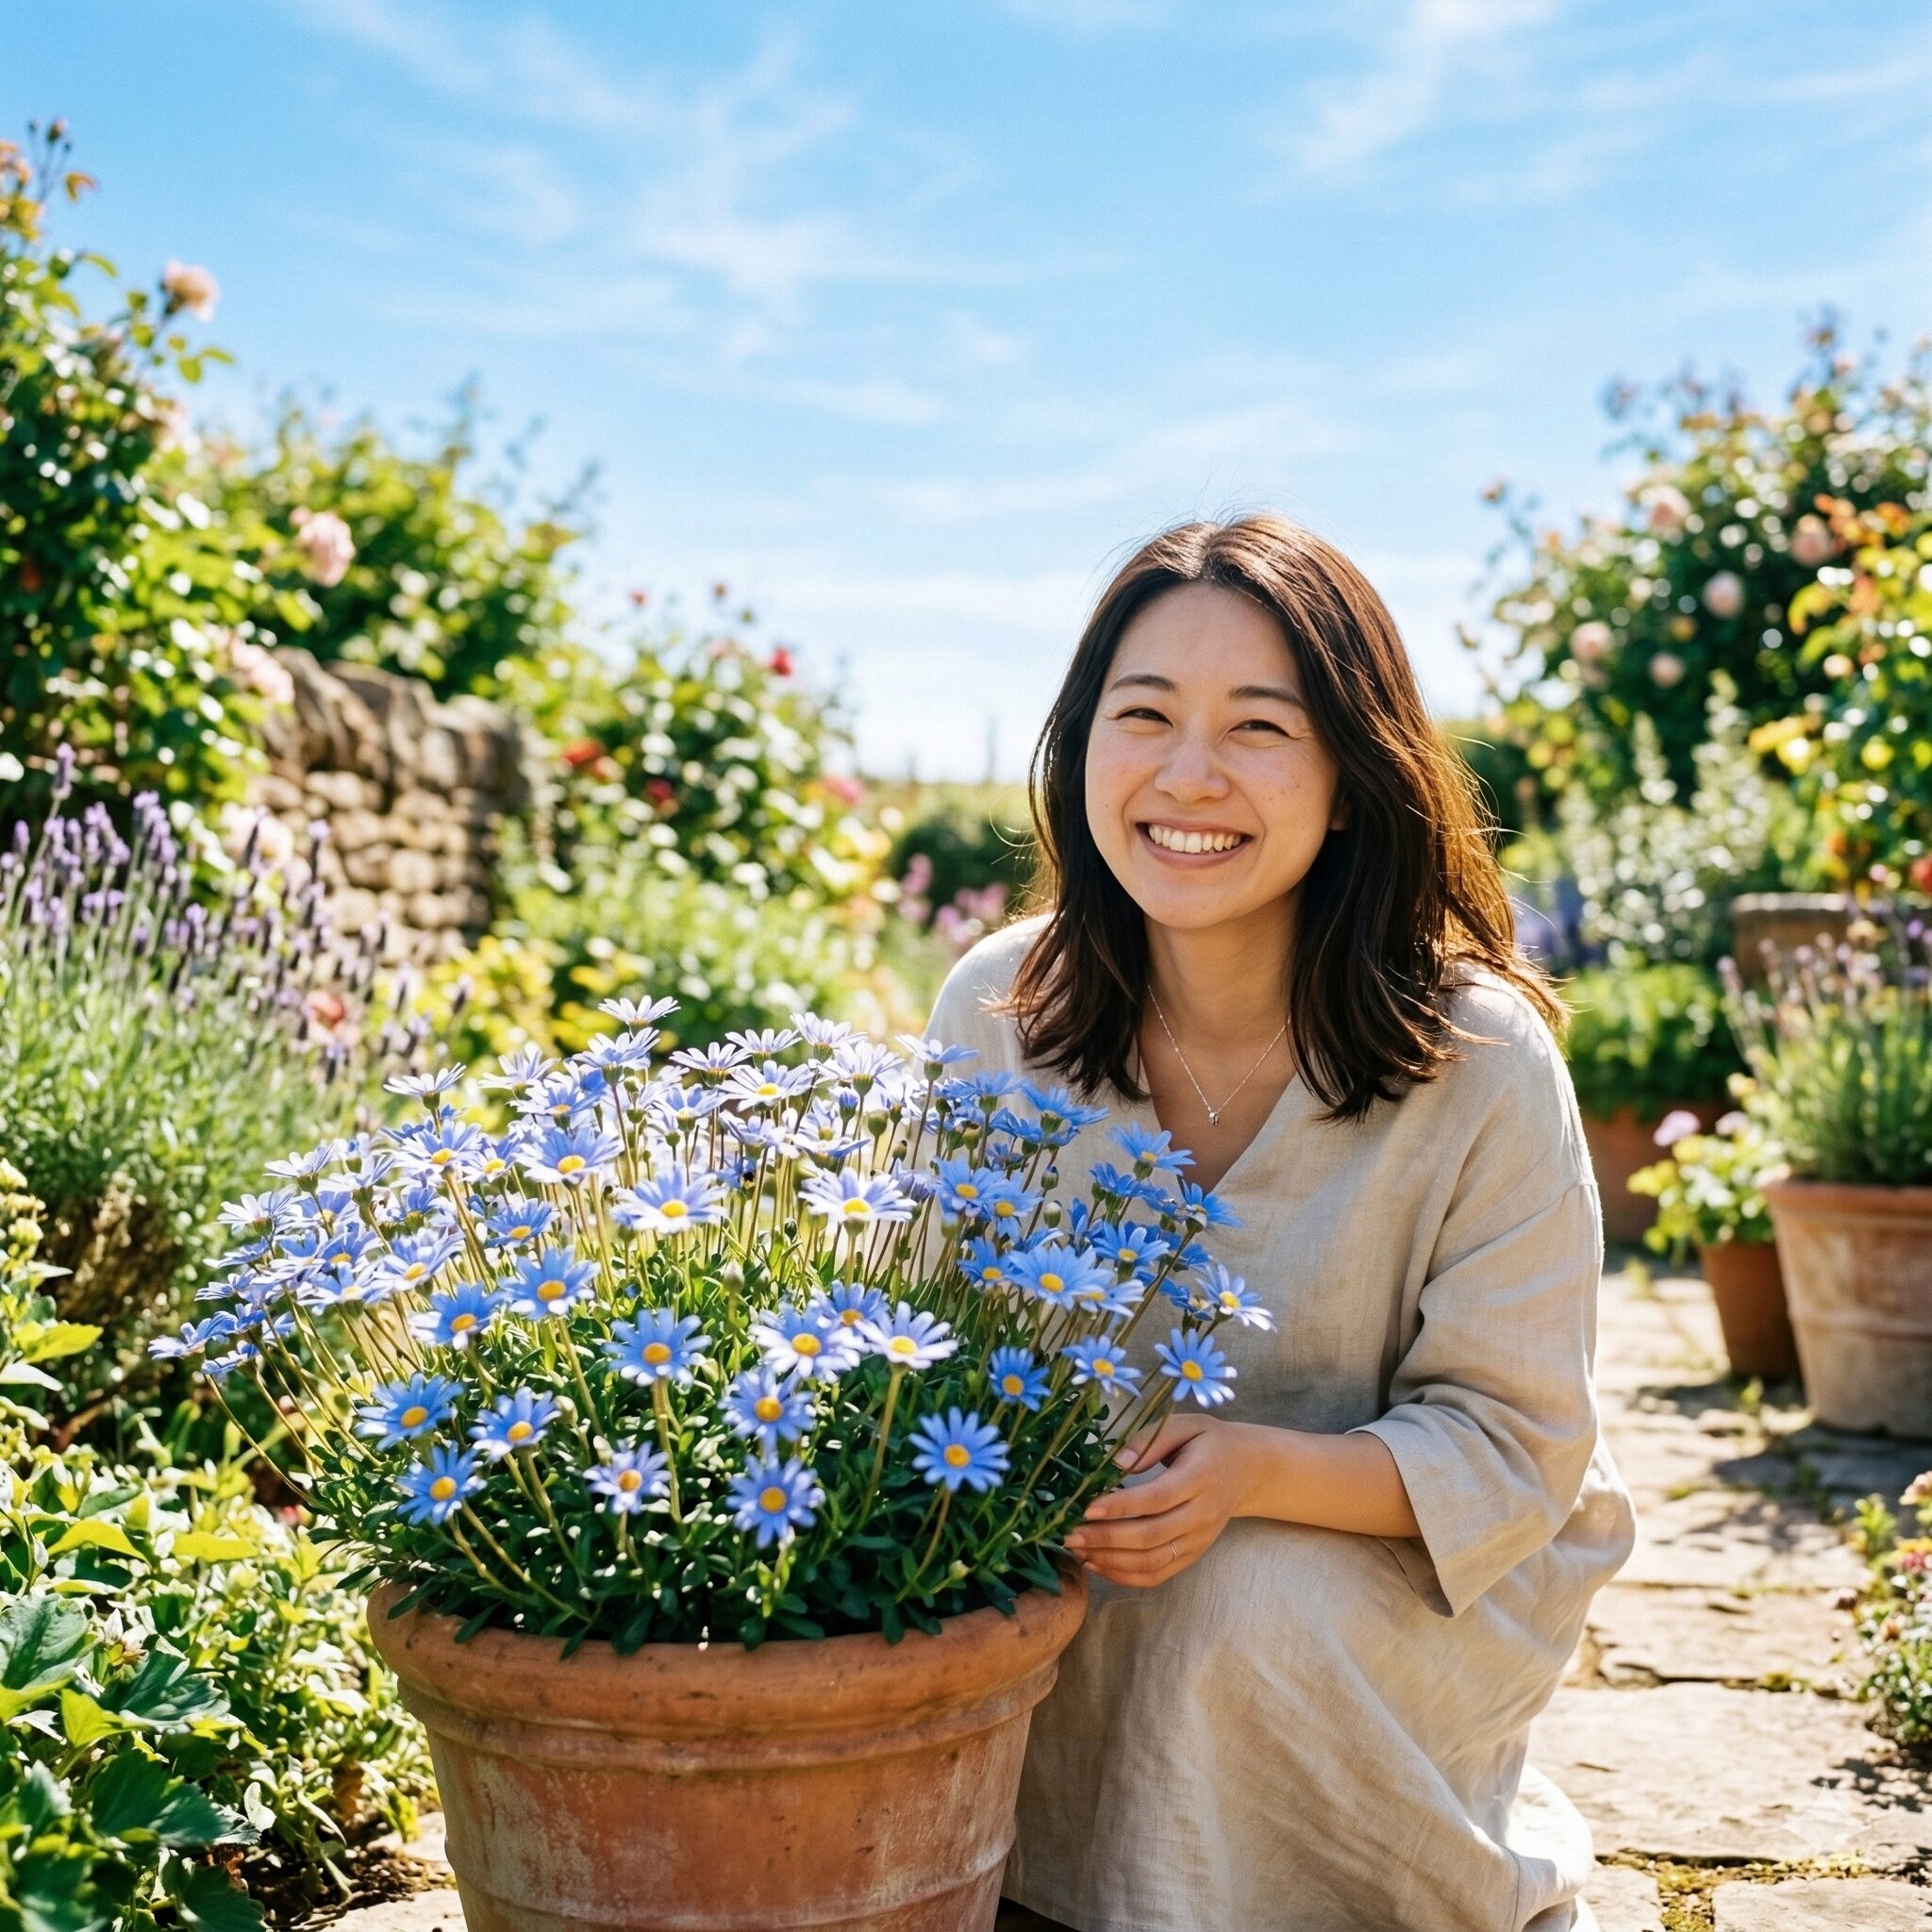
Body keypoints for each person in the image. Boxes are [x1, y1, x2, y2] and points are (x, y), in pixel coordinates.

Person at [927, 515, 1635, 1932]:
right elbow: (925, 1352)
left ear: (1354, 779)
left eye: (1261, 728)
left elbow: (1518, 1442)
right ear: (1081, 749)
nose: (1190, 776)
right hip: (1083, 1550)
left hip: (1387, 1577)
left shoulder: (1479, 1061)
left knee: (1234, 1608)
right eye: (1145, 716)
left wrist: (1254, 1473)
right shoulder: (998, 1012)